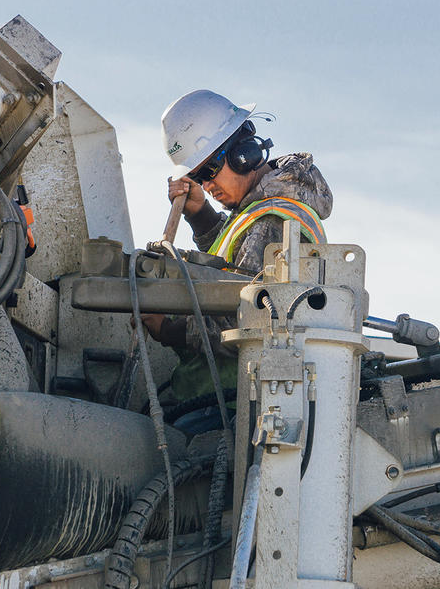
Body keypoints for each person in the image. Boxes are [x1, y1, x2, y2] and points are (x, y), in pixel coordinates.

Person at [140, 89, 332, 435]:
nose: (208, 184)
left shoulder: (272, 222)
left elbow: (244, 326)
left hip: (232, 408)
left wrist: (168, 330)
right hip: (228, 400)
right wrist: (200, 215)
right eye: (198, 177)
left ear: (245, 154)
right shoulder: (259, 213)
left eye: (210, 169)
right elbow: (233, 269)